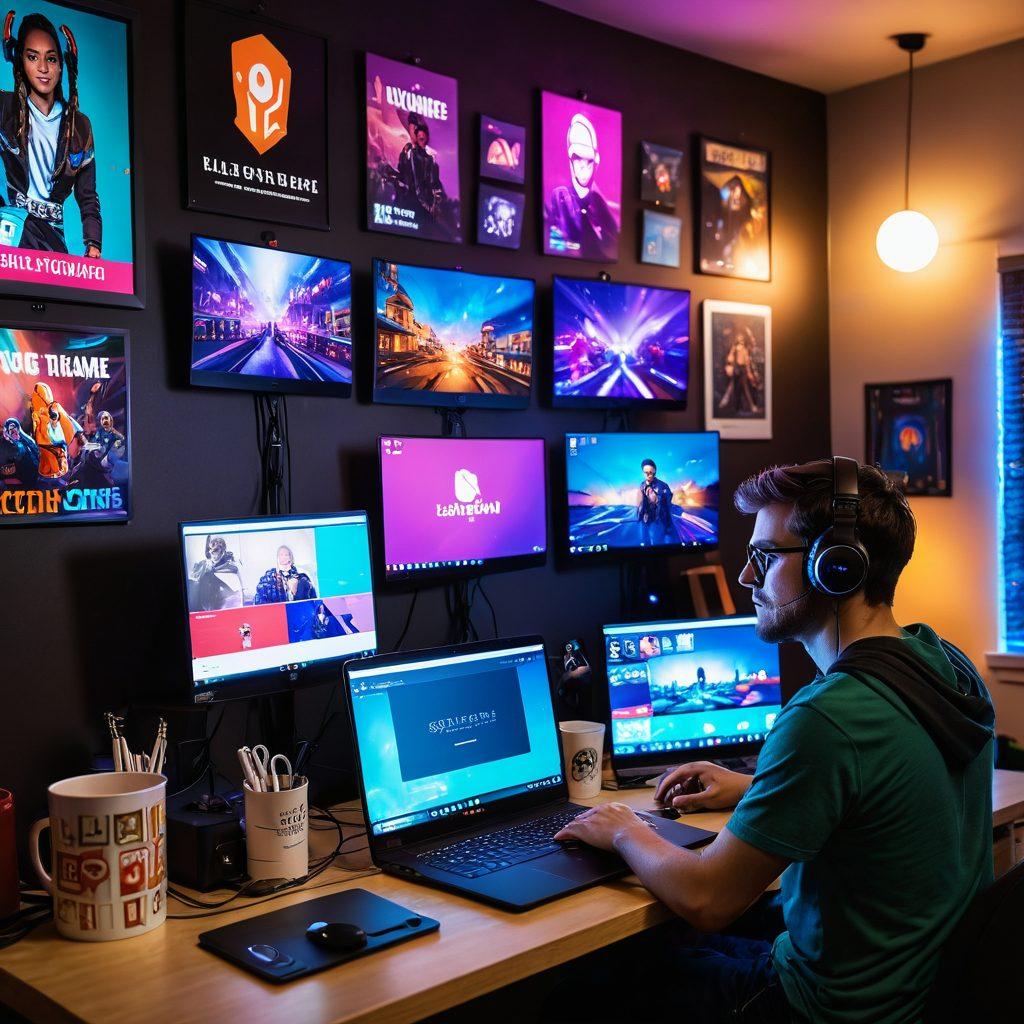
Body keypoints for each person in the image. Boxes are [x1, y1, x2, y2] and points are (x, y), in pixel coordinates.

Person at [550, 459, 994, 1023]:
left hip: (826, 1009)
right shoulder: (946, 664)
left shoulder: (827, 718)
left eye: (764, 555)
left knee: (585, 990)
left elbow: (708, 898)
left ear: (835, 567)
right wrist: (756, 785)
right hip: (918, 992)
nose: (745, 576)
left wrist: (624, 830)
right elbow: (888, 786)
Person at [0, 11, 101, 256]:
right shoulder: (4, 107)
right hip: (13, 225)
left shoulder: (80, 126)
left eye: (52, 59)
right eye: (32, 57)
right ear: (20, 60)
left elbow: (87, 195)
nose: (43, 68)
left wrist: (93, 244)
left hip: (54, 230)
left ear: (62, 65)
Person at [545, 112, 619, 261]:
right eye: (578, 159)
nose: (583, 167)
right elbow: (556, 242)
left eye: (588, 161)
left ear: (596, 161)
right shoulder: (559, 197)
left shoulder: (605, 206)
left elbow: (611, 249)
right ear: (570, 160)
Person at [188, 535, 241, 612]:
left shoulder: (232, 567)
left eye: (215, 550)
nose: (211, 552)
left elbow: (236, 595)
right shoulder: (203, 565)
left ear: (223, 550)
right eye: (209, 549)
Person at [637, 458, 674, 547]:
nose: (648, 475)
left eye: (651, 472)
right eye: (646, 472)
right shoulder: (642, 485)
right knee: (646, 541)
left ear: (654, 472)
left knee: (658, 542)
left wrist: (668, 524)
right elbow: (641, 502)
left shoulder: (663, 485)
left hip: (660, 519)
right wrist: (641, 514)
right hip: (647, 519)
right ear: (643, 472)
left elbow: (668, 504)